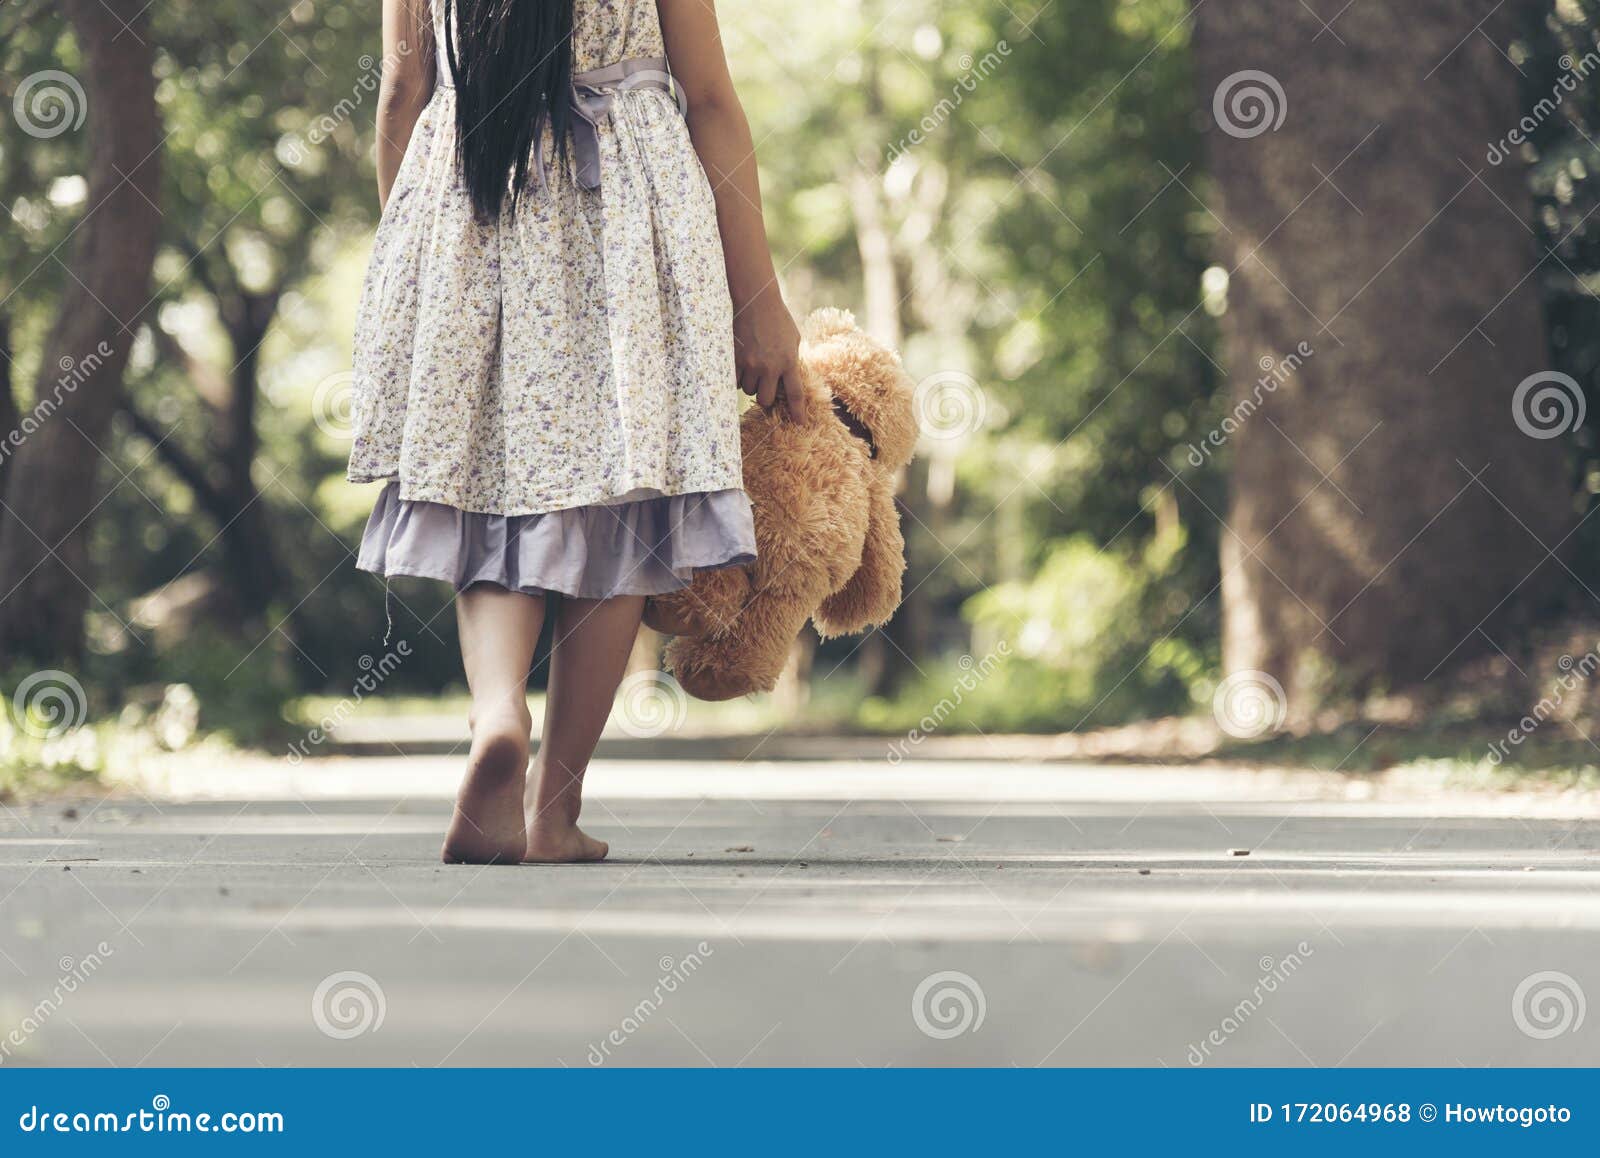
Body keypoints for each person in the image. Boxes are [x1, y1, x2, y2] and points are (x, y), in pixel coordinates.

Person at [348, 0, 805, 864]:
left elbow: (403, 89)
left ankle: (497, 713)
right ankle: (552, 814)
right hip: (634, 209)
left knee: (482, 481)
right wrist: (760, 301)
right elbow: (708, 98)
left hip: (473, 192)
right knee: (622, 501)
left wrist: (408, 254)